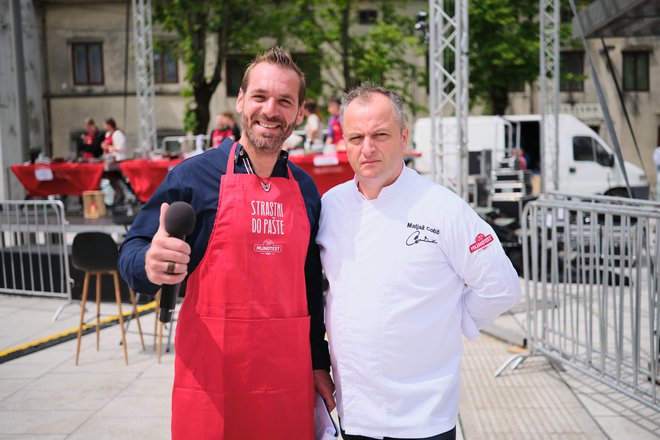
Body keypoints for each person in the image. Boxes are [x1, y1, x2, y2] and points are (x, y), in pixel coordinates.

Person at [118, 47, 333, 439]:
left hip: (287, 385)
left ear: (299, 113)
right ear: (239, 101)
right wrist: (148, 263)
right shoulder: (192, 178)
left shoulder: (306, 190)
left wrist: (319, 362)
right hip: (211, 386)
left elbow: (309, 287)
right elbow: (132, 249)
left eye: (285, 101)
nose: (271, 110)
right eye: (260, 97)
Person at [316, 85, 521, 440]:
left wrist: (451, 316)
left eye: (380, 135)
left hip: (423, 417)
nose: (368, 148)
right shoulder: (331, 206)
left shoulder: (443, 207)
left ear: (403, 136)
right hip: (353, 412)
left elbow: (501, 286)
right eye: (356, 137)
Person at [101, 118, 128, 206]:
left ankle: (120, 196)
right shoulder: (108, 134)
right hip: (110, 159)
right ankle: (118, 195)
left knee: (117, 178)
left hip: (118, 160)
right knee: (112, 179)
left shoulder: (118, 134)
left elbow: (119, 148)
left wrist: (108, 147)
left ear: (109, 125)